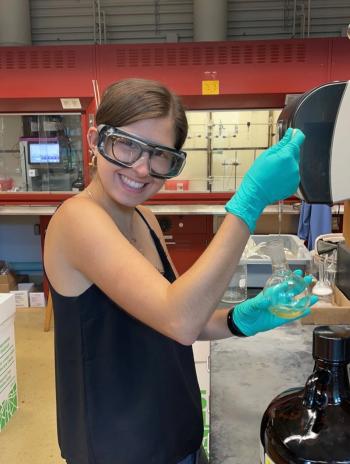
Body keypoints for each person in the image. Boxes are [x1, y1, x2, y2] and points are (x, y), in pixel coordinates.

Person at [44, 78, 316, 464]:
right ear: (95, 140)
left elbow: (181, 318)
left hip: (175, 435)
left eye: (160, 155)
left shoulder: (146, 218)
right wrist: (249, 202)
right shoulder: (77, 219)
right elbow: (179, 320)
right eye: (126, 144)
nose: (141, 168)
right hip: (119, 449)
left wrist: (241, 318)